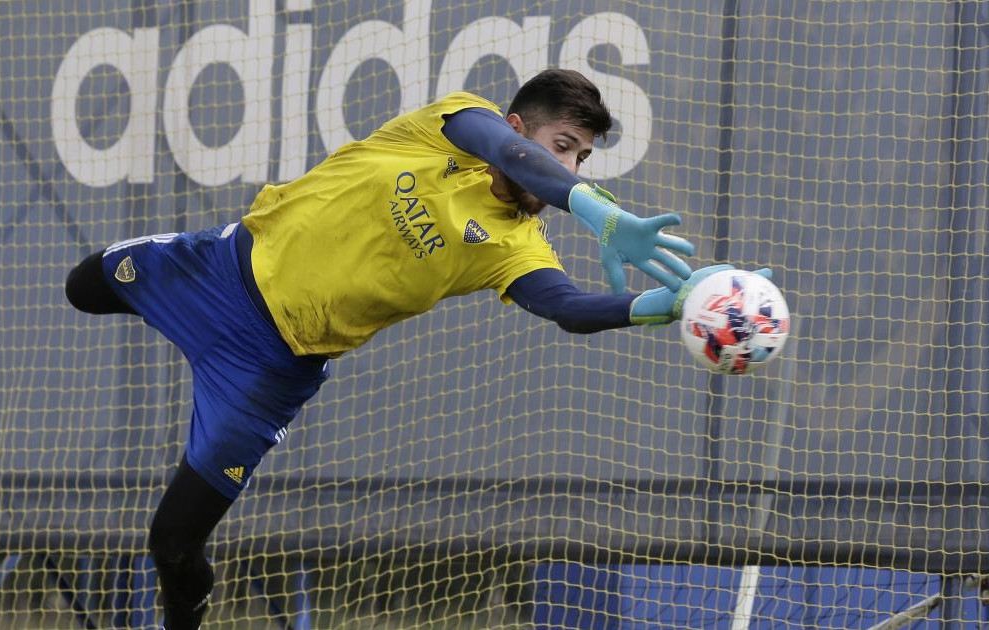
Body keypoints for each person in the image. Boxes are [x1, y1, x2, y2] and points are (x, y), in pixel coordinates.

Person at [65, 68, 747, 630]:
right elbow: (507, 156)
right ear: (518, 128)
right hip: (216, 271)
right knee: (81, 287)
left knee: (173, 545)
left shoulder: (515, 243)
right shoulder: (451, 124)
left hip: (266, 370)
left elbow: (564, 307)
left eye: (580, 158)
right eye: (562, 145)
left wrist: (659, 306)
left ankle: (182, 619)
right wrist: (602, 210)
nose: (567, 165)